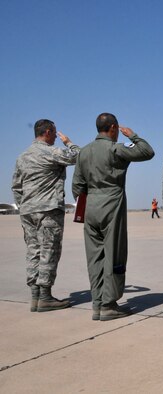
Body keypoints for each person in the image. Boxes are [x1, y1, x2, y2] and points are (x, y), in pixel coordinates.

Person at [72, 113, 154, 321]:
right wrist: (133, 135)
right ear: (114, 128)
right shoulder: (115, 149)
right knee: (114, 255)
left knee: (95, 258)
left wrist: (87, 205)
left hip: (90, 208)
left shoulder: (84, 152)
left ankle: (97, 303)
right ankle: (109, 304)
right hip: (112, 205)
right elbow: (147, 152)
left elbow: (77, 186)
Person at [12, 119, 80, 312]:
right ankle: (46, 297)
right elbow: (79, 156)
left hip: (27, 211)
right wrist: (68, 142)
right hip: (48, 210)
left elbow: (16, 187)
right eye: (55, 133)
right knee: (49, 250)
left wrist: (24, 205)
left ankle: (35, 297)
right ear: (49, 132)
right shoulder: (52, 152)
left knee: (33, 251)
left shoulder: (22, 156)